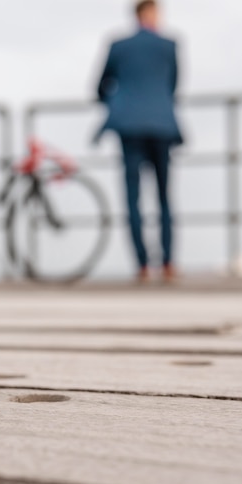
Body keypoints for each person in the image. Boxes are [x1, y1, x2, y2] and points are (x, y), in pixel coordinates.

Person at [95, 0, 183, 282]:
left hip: (129, 126)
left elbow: (100, 87)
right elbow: (173, 86)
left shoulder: (119, 45)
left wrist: (119, 103)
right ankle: (168, 263)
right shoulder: (169, 45)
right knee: (164, 196)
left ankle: (143, 265)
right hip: (162, 124)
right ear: (154, 15)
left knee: (132, 198)